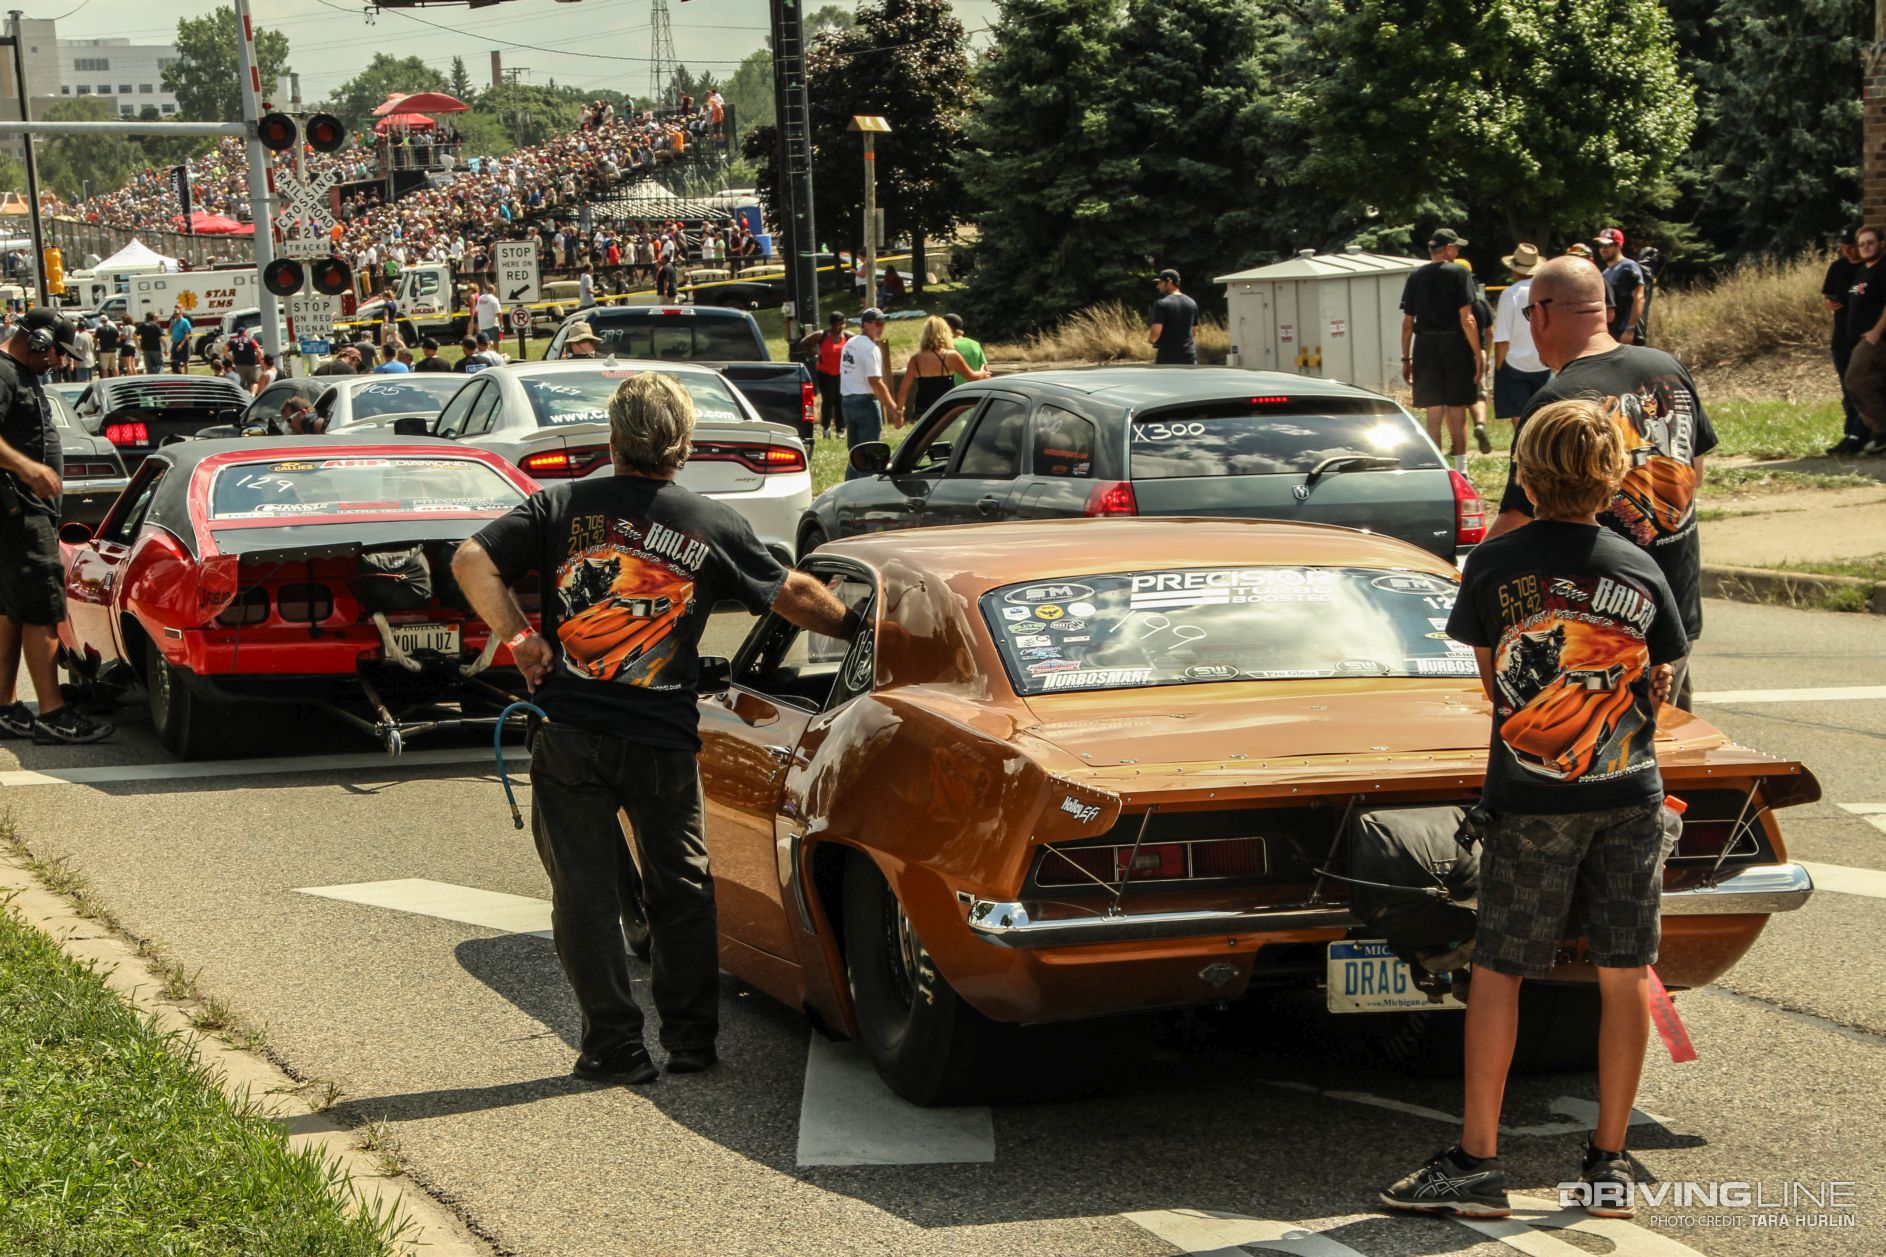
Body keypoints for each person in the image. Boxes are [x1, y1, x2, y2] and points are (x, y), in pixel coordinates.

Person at [451, 373, 859, 1084]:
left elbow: (470, 558)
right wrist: (860, 625)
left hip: (568, 732)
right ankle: (692, 1040)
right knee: (683, 889)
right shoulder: (710, 523)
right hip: (662, 741)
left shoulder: (559, 505)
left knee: (584, 896)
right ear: (684, 447)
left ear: (612, 441)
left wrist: (517, 637)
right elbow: (790, 594)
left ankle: (614, 1045)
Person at [1380, 397, 1685, 1221]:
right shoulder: (1641, 564)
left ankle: (1479, 1158)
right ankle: (1608, 1163)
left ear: (1525, 471)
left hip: (1530, 797)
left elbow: (1495, 682)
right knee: (1624, 973)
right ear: (1615, 475)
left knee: (1502, 968)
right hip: (1629, 794)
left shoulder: (1493, 564)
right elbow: (1663, 679)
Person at [1485, 256, 1717, 710]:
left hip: (1598, 628)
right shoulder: (1666, 368)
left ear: (1544, 314)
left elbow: (1519, 519)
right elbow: (1695, 471)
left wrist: (1468, 579)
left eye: (1531, 315)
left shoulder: (1555, 403)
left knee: (1609, 762)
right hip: (1674, 606)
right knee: (1674, 758)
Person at [0, 310, 113, 744]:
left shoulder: (23, 375)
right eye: (56, 354)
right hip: (19, 513)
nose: (59, 363)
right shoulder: (5, 374)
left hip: (21, 513)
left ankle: (6, 707)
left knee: (9, 613)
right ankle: (53, 714)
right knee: (42, 609)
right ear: (39, 341)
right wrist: (29, 468)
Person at [1400, 229, 1483, 473]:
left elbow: (1407, 324)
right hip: (1455, 345)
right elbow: (1467, 318)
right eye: (1456, 247)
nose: (1457, 252)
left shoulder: (1415, 276)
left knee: (1433, 411)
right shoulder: (1459, 272)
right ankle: (1462, 469)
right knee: (1457, 410)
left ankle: (1437, 469)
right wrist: (1478, 354)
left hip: (1425, 345)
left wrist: (1406, 358)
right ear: (1447, 248)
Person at [1824, 226, 1870, 455]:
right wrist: (1830, 303)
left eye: (1852, 247)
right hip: (1841, 337)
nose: (1848, 252)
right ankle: (1851, 433)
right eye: (1843, 248)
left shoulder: (1870, 268)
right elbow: (1827, 295)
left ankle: (1861, 434)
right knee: (1847, 388)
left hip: (1864, 339)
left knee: (1860, 385)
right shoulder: (1838, 267)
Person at [1492, 243, 1551, 425]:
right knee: (1543, 413)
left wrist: (1498, 368)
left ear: (1515, 270)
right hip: (1544, 362)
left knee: (1518, 413)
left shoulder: (1510, 294)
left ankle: (1521, 447)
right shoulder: (1547, 293)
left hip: (1515, 362)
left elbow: (1502, 339)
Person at [1840, 225, 1886, 456]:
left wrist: (1876, 333)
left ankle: (1882, 430)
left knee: (1855, 381)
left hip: (1875, 339)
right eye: (1862, 244)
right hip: (1859, 340)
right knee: (1870, 384)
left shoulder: (1882, 269)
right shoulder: (1862, 272)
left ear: (1881, 244)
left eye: (1871, 242)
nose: (1866, 247)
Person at [838, 308, 900, 479]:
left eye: (883, 323)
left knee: (855, 454)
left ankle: (848, 490)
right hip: (865, 403)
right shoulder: (871, 348)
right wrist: (894, 409)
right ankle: (863, 493)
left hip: (848, 402)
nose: (881, 327)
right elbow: (875, 382)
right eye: (877, 323)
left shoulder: (849, 344)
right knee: (869, 455)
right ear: (865, 325)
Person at [896, 315, 989, 424]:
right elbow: (972, 377)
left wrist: (900, 413)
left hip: (923, 410)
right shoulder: (951, 356)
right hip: (946, 408)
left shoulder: (915, 359)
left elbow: (903, 391)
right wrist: (982, 372)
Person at [798, 312, 847, 437]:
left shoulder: (846, 336)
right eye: (838, 324)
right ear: (832, 325)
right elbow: (804, 342)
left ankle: (840, 429)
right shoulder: (823, 335)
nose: (841, 326)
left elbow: (858, 341)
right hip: (824, 373)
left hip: (840, 373)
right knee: (828, 400)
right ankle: (826, 428)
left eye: (843, 323)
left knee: (840, 400)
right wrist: (815, 354)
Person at [1594, 229, 1645, 346]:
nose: (1603, 249)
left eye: (1608, 245)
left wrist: (1630, 329)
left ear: (1619, 246)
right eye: (1601, 245)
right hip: (1612, 332)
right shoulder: (1605, 273)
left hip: (1625, 332)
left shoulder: (1629, 266)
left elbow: (1639, 297)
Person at [1147, 268, 1198, 364]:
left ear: (1169, 281)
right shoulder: (1192, 303)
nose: (1158, 286)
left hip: (1168, 357)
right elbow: (1194, 332)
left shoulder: (1161, 303)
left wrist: (1150, 340)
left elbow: (1155, 332)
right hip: (1189, 356)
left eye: (1160, 282)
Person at [946, 312, 986, 388]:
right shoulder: (975, 344)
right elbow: (985, 370)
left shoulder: (946, 346)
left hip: (954, 392)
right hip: (975, 389)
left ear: (948, 327)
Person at [227, 323, 261, 391]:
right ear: (244, 333)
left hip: (239, 365)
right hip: (250, 365)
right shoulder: (251, 340)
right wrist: (261, 360)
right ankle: (252, 395)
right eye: (246, 332)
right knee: (253, 382)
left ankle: (242, 396)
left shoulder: (233, 341)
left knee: (240, 383)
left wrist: (230, 358)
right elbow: (259, 351)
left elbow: (224, 349)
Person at [136, 311, 164, 376]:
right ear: (153, 318)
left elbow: (134, 334)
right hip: (156, 349)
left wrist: (138, 346)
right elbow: (161, 338)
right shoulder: (156, 326)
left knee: (149, 367)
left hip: (145, 350)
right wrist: (165, 347)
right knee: (159, 365)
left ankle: (151, 381)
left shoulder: (142, 325)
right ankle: (159, 379)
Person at [167, 307, 193, 375]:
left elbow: (188, 334)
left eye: (177, 314)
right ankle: (177, 373)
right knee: (174, 360)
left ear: (181, 314)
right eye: (175, 314)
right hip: (175, 342)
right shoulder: (174, 322)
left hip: (183, 343)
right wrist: (171, 324)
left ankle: (186, 375)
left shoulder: (185, 321)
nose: (176, 315)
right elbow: (169, 332)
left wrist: (181, 344)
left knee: (185, 361)